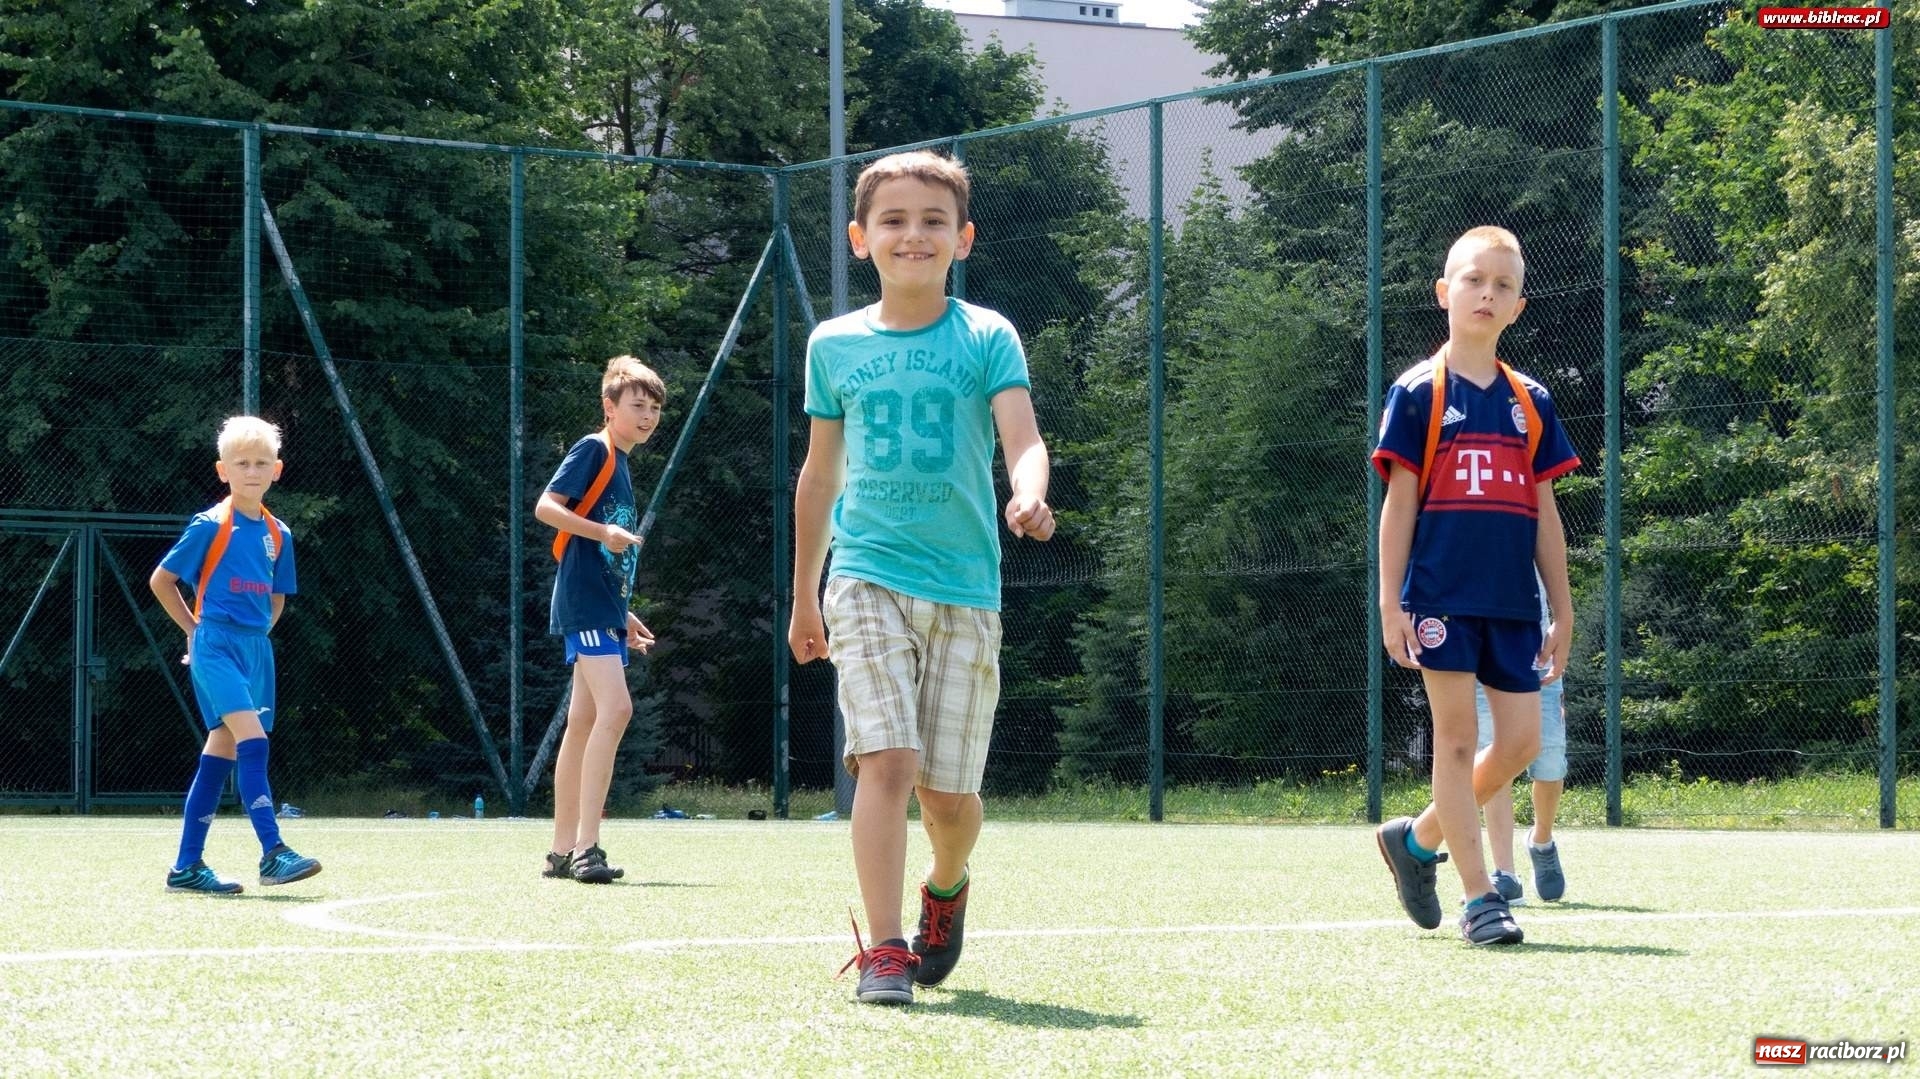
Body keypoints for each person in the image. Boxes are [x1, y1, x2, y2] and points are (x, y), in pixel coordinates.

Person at [788, 150, 1055, 1005]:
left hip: (967, 589)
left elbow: (1024, 439)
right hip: (863, 574)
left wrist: (1030, 492)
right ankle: (886, 950)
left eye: (933, 221)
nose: (914, 235)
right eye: (894, 221)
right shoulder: (832, 345)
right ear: (861, 238)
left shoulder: (987, 336)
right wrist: (804, 593)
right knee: (886, 762)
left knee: (949, 800)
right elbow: (820, 477)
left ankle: (946, 885)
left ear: (962, 239)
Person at [1370, 225, 1580, 945]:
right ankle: (1478, 895)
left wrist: (1564, 608)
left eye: (1501, 285)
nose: (1486, 294)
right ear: (1444, 293)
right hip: (1440, 599)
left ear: (1518, 306)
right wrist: (1390, 600)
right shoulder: (1417, 392)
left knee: (1520, 742)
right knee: (1456, 742)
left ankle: (1416, 839)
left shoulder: (1531, 401)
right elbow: (1398, 506)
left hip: (1514, 604)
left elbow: (1546, 514)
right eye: (1472, 280)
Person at [151, 416, 321, 894]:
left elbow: (278, 596)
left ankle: (186, 868)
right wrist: (194, 631)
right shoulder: (209, 524)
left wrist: (257, 636)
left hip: (254, 650)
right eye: (242, 463)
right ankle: (273, 852)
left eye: (261, 463)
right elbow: (161, 581)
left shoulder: (278, 533)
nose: (252, 471)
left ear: (277, 470)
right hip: (216, 645)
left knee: (221, 753)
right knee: (252, 740)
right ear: (222, 470)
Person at [535, 355, 663, 884]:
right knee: (618, 708)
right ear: (609, 409)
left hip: (599, 608)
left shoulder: (623, 463)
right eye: (638, 405)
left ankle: (562, 850)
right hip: (584, 607)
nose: (648, 415)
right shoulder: (594, 448)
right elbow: (547, 507)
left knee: (586, 722)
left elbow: (600, 560)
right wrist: (600, 532)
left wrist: (622, 614)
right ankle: (588, 846)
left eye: (655, 408)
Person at [1478, 569, 1569, 904]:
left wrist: (1561, 624)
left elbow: (1553, 567)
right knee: (1493, 760)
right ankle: (1505, 874)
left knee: (1550, 766)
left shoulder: (1526, 518)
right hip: (1479, 652)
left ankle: (1541, 840)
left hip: (1537, 655)